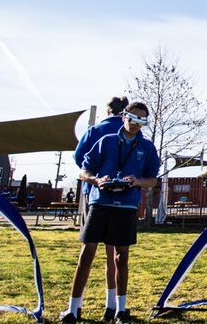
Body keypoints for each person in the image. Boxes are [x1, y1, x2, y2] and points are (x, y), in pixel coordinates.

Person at [60, 101, 160, 324]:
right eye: (133, 117)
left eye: (142, 120)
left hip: (126, 206)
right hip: (101, 202)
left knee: (120, 257)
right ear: (124, 115)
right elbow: (83, 170)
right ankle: (72, 309)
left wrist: (137, 182)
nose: (136, 124)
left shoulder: (147, 148)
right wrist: (96, 180)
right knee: (87, 253)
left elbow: (152, 179)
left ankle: (119, 310)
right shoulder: (105, 141)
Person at [71, 96, 128, 321]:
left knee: (88, 251)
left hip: (95, 194)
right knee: (115, 254)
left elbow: (80, 159)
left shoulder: (95, 131)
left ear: (108, 111)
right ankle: (111, 304)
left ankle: (76, 306)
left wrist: (96, 174)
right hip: (123, 199)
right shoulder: (130, 133)